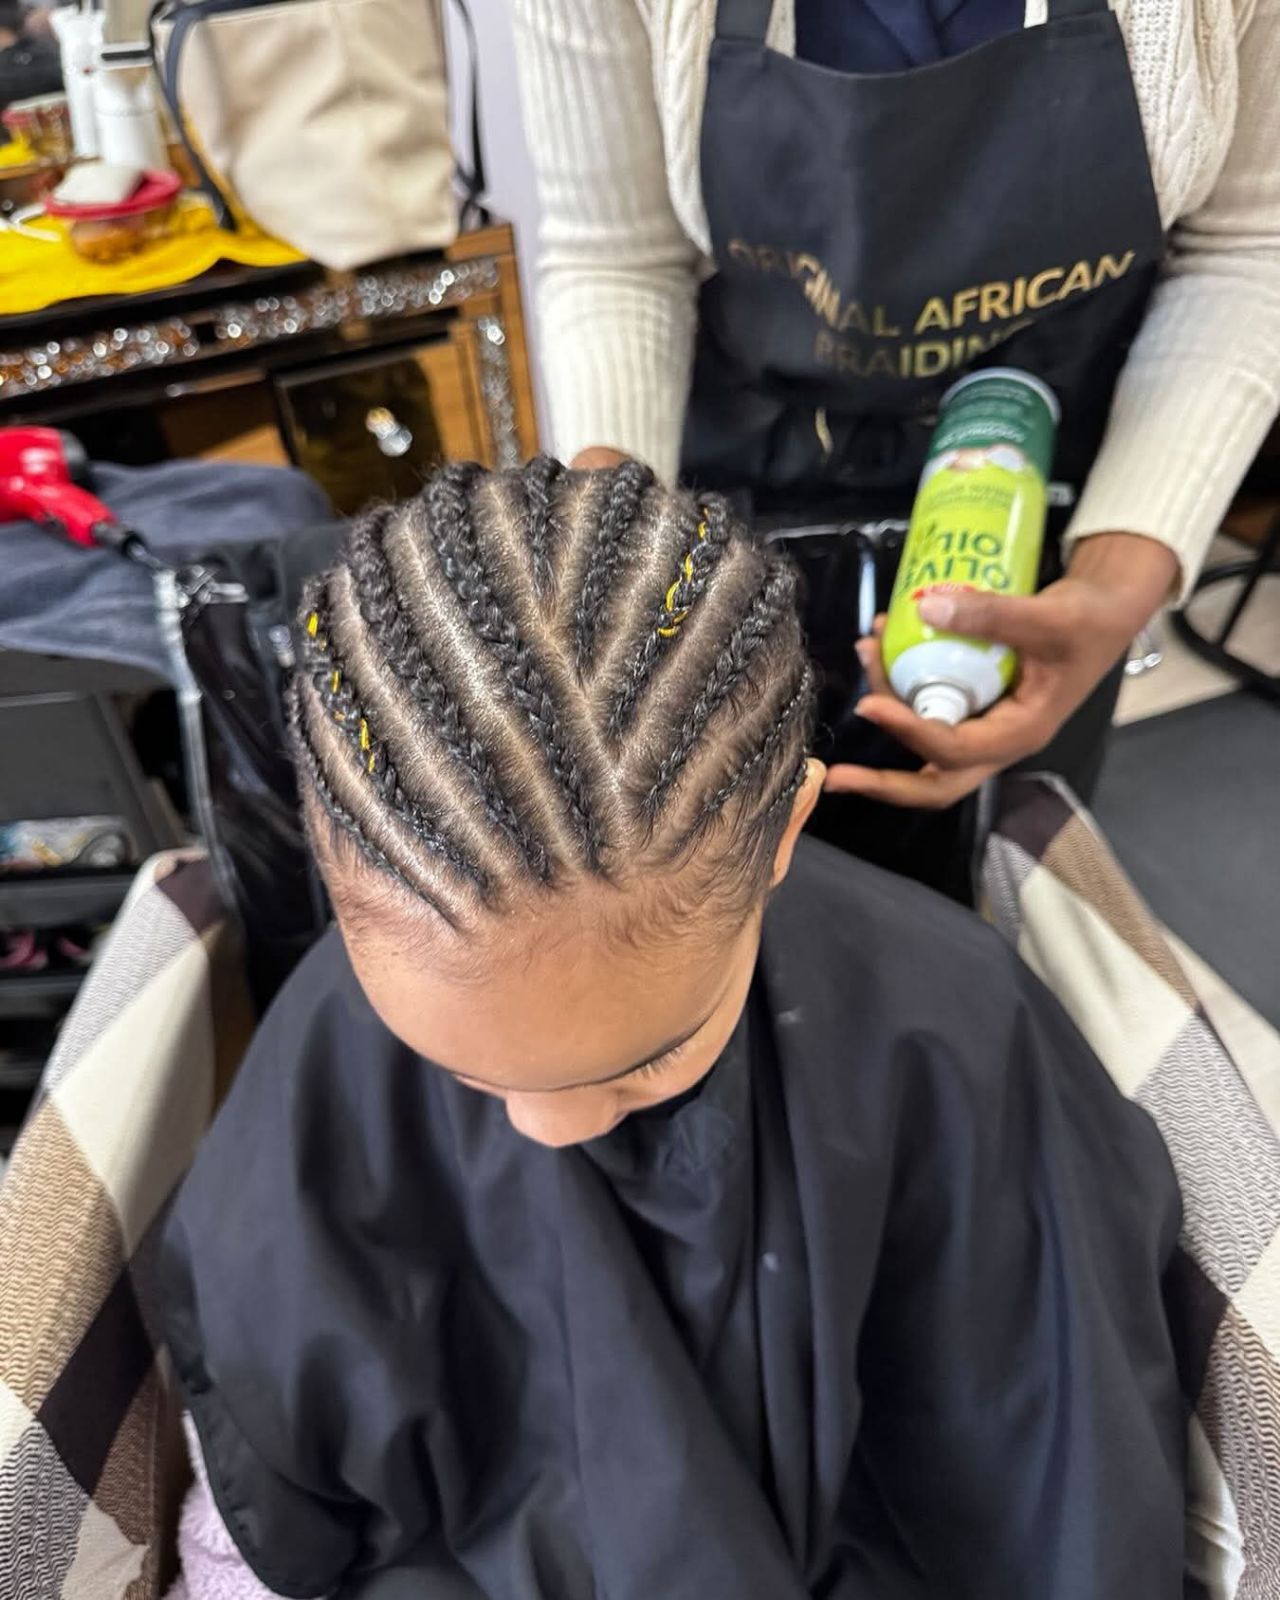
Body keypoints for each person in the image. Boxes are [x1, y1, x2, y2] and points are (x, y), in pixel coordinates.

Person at [161, 459, 1184, 1600]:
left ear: (787, 821)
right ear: (334, 852)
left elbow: (1050, 1492)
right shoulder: (321, 1062)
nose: (545, 1130)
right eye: (453, 1065)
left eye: (643, 1060)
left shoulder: (949, 1032)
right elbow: (274, 1476)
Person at [509, 0, 1280, 893]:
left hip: (1048, 498)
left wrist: (1117, 580)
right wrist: (613, 571)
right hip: (751, 474)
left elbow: (1249, 244)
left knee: (983, 893)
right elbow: (617, 254)